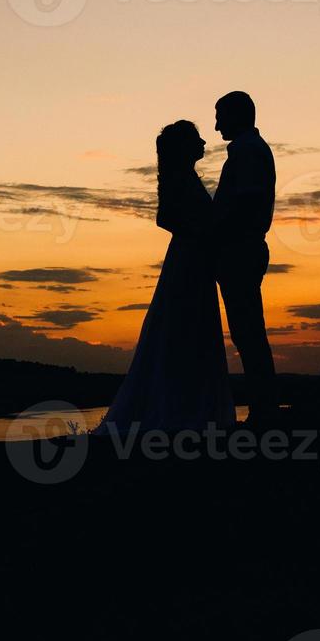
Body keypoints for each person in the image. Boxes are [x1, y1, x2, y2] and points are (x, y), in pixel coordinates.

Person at [100, 121, 235, 433]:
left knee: (193, 329)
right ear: (184, 146)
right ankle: (176, 411)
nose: (204, 141)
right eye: (196, 139)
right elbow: (165, 218)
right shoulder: (177, 178)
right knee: (182, 328)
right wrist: (202, 233)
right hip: (187, 259)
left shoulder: (187, 177)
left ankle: (191, 406)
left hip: (195, 259)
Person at [212, 92, 279, 427]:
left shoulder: (248, 151)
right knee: (247, 331)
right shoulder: (248, 150)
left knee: (248, 331)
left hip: (241, 250)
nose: (215, 125)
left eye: (220, 116)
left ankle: (264, 410)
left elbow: (244, 204)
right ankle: (264, 406)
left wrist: (217, 232)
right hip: (241, 249)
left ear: (238, 115)